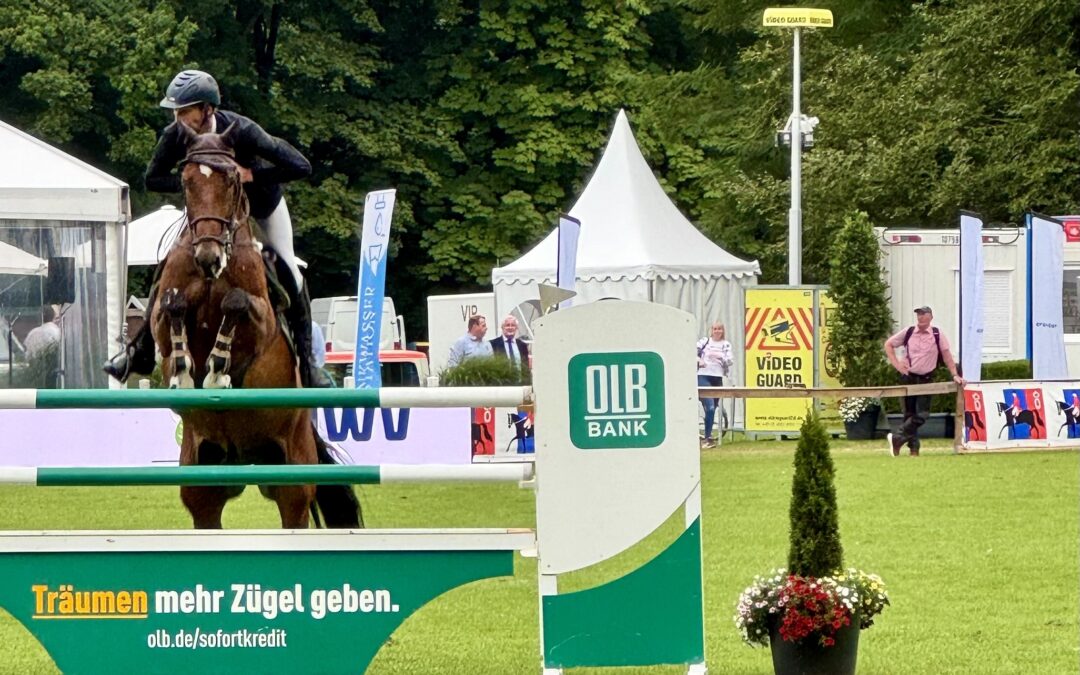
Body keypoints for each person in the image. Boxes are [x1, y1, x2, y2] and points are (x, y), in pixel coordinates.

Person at [103, 69, 329, 387]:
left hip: (259, 206)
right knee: (169, 262)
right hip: (208, 211)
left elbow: (301, 166)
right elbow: (151, 179)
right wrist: (191, 182)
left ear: (207, 109)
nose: (178, 118)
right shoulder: (175, 135)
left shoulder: (243, 131)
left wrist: (251, 175)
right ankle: (141, 349)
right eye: (175, 112)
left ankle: (308, 364)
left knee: (289, 267)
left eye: (185, 111)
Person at [883, 306, 965, 457]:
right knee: (909, 414)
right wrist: (897, 365)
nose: (920, 317)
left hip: (926, 378)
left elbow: (947, 355)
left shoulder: (937, 334)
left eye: (923, 314)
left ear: (930, 317)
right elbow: (888, 344)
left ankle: (897, 437)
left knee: (923, 414)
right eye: (918, 314)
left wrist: (954, 374)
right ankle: (914, 449)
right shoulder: (908, 332)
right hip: (909, 377)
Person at [696, 322, 733, 448]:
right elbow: (691, 351)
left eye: (720, 329)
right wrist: (699, 360)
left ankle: (708, 437)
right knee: (710, 407)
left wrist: (721, 358)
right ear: (711, 330)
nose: (717, 331)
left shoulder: (726, 344)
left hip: (717, 378)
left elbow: (730, 360)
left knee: (712, 409)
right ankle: (706, 439)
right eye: (715, 329)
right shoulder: (705, 341)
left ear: (723, 331)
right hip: (703, 376)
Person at [24, 306, 61, 388]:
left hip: (35, 377)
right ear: (54, 316)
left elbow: (27, 357)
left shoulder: (32, 334)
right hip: (53, 377)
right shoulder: (57, 331)